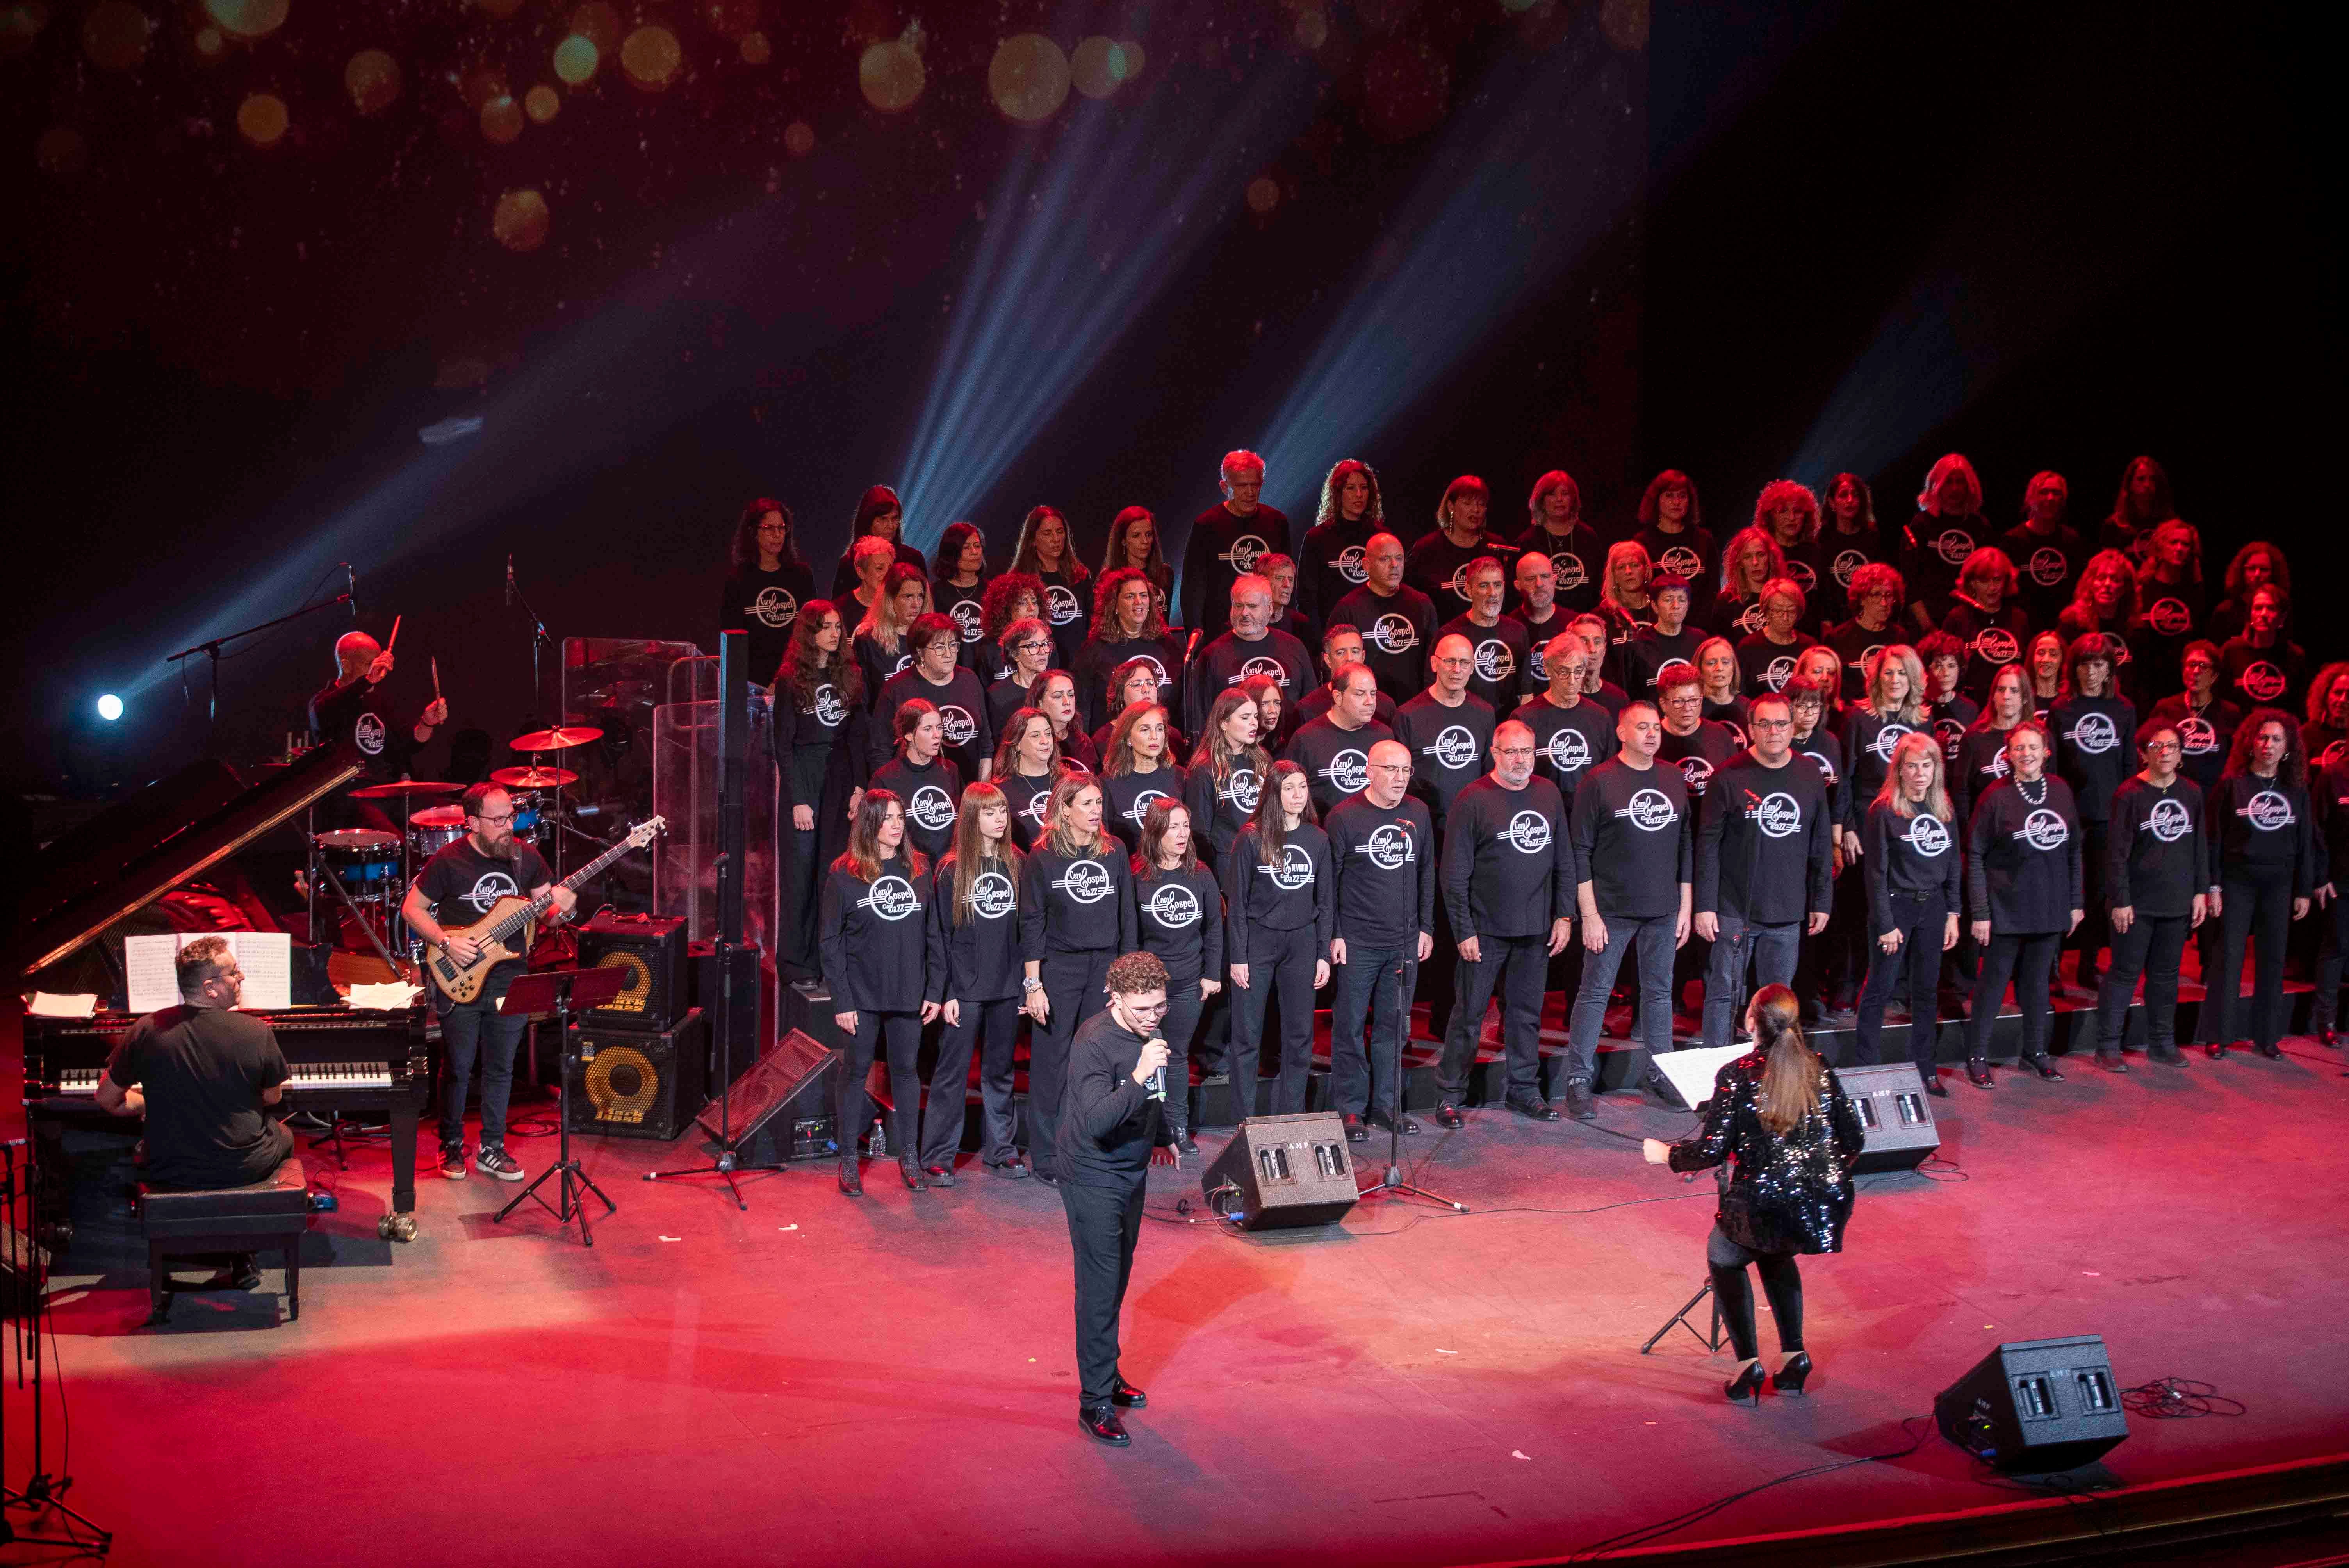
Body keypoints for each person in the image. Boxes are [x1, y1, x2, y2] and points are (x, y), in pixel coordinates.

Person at [1641, 985, 1862, 1405]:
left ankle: (1748, 1365)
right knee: (1775, 1252)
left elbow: (1710, 1149)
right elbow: (1854, 1138)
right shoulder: (1817, 1065)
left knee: (1724, 1255)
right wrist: (1809, 1177)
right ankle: (1794, 1355)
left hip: (1761, 1201)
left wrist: (1667, 1154)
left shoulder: (1737, 1072)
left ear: (1750, 1022)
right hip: (1814, 1201)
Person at [401, 783, 578, 1182]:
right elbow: (411, 908)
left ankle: (492, 1149)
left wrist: (563, 910)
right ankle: (450, 1144)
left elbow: (548, 914)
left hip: (508, 977)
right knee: (459, 1066)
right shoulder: (448, 860)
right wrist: (446, 941)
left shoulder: (525, 857)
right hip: (458, 974)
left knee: (501, 1067)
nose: (507, 827)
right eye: (498, 820)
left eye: (510, 818)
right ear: (472, 822)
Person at [1059, 950, 1177, 1449]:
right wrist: (1138, 1074)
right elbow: (1095, 1121)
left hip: (1130, 1169)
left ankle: (1107, 1374)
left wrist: (1162, 1134)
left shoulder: (1145, 1031)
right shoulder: (1093, 1042)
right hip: (1092, 1173)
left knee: (1119, 1274)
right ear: (1116, 998)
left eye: (1160, 1007)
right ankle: (1095, 1401)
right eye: (1143, 1008)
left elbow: (1154, 1094)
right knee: (1100, 1284)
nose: (1153, 1016)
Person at [1437, 721, 1576, 1123]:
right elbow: (1454, 874)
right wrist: (1464, 929)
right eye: (1512, 752)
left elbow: (1564, 860)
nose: (1520, 759)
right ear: (1495, 753)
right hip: (1484, 931)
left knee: (1526, 1014)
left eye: (1527, 751)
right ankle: (1449, 1095)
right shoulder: (1472, 799)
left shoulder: (1548, 794)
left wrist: (1564, 915)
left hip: (1535, 929)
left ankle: (1523, 1091)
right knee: (1469, 1016)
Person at [1563, 701, 1693, 1122]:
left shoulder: (1673, 777)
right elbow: (1578, 849)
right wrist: (1590, 913)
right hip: (1611, 910)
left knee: (1658, 995)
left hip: (1662, 908)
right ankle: (1578, 1079)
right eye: (1643, 726)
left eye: (1657, 727)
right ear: (1622, 732)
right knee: (1595, 992)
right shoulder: (1598, 781)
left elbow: (1685, 845)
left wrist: (1685, 905)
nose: (1653, 734)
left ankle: (1660, 1074)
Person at [96, 936, 293, 1192]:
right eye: (234, 973)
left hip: (168, 1169)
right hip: (242, 1167)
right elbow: (272, 1098)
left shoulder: (144, 1029)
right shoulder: (257, 1031)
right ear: (210, 988)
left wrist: (151, 1103)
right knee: (285, 1135)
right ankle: (267, 1214)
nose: (242, 976)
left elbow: (106, 1099)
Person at [1695, 694, 1834, 1049]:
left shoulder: (1808, 774)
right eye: (1765, 724)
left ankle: (1773, 1076)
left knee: (1779, 1004)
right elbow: (1708, 846)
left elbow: (1820, 842)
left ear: (1794, 727)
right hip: (1733, 908)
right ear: (1752, 728)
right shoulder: (1728, 777)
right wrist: (1705, 906)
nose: (1774, 731)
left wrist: (1822, 900)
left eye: (1782, 724)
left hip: (1787, 910)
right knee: (1723, 994)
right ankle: (1717, 1073)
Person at [820, 789, 941, 1196]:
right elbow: (831, 942)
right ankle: (849, 1161)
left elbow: (934, 935)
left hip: (909, 989)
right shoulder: (843, 874)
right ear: (869, 822)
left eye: (900, 816)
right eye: (888, 817)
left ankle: (910, 1155)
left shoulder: (919, 869)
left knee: (907, 1070)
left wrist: (935, 990)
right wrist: (843, 1000)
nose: (896, 824)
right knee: (856, 1071)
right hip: (862, 993)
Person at [1020, 772, 1138, 1185]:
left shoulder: (1115, 851)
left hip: (1104, 968)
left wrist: (1125, 977)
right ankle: (1047, 1154)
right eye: (1085, 803)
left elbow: (1128, 916)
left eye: (1097, 803)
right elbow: (1032, 922)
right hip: (1059, 968)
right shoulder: (1043, 857)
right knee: (1052, 1063)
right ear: (1064, 808)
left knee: (1098, 1061)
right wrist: (1033, 985)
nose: (1095, 811)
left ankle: (1089, 1146)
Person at [1325, 739, 1436, 1142]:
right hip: (1357, 941)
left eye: (1405, 770)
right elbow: (1330, 883)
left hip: (1404, 940)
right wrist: (1334, 934)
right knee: (1351, 1026)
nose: (1399, 778)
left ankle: (1387, 1106)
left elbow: (1426, 871)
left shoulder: (1417, 814)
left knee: (1395, 1026)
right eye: (1391, 769)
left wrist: (1427, 926)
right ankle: (1351, 1107)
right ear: (1368, 771)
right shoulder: (1344, 817)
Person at [1962, 723, 2082, 1089]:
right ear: (2008, 754)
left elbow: (2075, 849)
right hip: (2005, 910)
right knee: (1993, 987)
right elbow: (1976, 854)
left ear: (2046, 751)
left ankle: (2036, 1052)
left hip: (2050, 907)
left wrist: (2076, 902)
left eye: (2033, 747)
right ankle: (1978, 1056)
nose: (2026, 754)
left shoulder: (2061, 791)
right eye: (2019, 748)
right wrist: (1981, 913)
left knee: (2037, 987)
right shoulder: (1994, 797)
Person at [2200, 710, 2320, 1061]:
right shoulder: (2231, 785)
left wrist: (2303, 890)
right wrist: (2214, 886)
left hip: (2279, 884)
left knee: (2273, 960)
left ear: (2288, 749)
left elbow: (2305, 842)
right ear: (2251, 743)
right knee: (2229, 959)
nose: (2268, 745)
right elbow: (2214, 840)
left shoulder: (2296, 790)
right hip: (2238, 881)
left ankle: (2267, 1037)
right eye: (2263, 738)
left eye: (2277, 740)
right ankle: (2218, 1036)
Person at [1220, 760, 1334, 1119]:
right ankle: (1245, 1120)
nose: (1298, 795)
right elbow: (1236, 904)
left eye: (1302, 787)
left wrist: (1322, 954)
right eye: (1289, 788)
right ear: (1274, 792)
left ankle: (1292, 1116)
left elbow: (1326, 901)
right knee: (1247, 1037)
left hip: (1301, 943)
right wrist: (1238, 957)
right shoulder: (1252, 837)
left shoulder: (1317, 838)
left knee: (1300, 1037)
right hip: (1258, 943)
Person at [927, 782, 1027, 1181]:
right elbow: (941, 936)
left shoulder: (1018, 862)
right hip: (964, 988)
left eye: (1002, 810)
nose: (1000, 819)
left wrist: (1025, 985)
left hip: (1006, 986)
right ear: (972, 818)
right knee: (951, 1072)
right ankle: (938, 1154)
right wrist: (947, 991)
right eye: (990, 812)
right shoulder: (952, 868)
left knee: (1000, 1071)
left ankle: (1001, 1149)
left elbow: (1025, 931)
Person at [2099, 726, 2211, 1071]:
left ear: (2181, 753)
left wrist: (2200, 892)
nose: (2165, 752)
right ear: (2143, 753)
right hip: (2136, 904)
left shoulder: (2191, 793)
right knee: (2124, 975)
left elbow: (2200, 847)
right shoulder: (2129, 794)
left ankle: (2163, 1043)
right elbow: (2116, 853)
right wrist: (2120, 899)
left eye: (2172, 746)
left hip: (2176, 901)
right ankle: (2108, 1048)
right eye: (2156, 746)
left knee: (2166, 976)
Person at [1855, 734, 1962, 1085]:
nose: (1919, 773)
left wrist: (1953, 913)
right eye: (1912, 766)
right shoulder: (1883, 811)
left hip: (1933, 907)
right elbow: (1875, 873)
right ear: (1899, 770)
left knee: (1926, 991)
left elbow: (1953, 866)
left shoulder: (1944, 809)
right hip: (1895, 908)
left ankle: (1925, 1069)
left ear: (1936, 770)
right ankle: (1867, 1068)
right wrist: (1885, 923)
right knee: (1881, 989)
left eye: (1926, 766)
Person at [772, 601, 870, 976]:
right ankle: (798, 966)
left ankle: (831, 963)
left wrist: (859, 787)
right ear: (809, 633)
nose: (835, 633)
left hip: (841, 777)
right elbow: (783, 745)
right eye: (826, 627)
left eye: (838, 626)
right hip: (806, 776)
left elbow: (860, 737)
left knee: (833, 871)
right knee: (800, 872)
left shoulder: (850, 675)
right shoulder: (790, 680)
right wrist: (798, 799)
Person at [1130, 799, 1223, 1158]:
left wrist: (1211, 974)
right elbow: (1130, 933)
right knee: (1145, 1057)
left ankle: (1178, 1127)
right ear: (1155, 832)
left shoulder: (1201, 874)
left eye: (1186, 826)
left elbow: (1214, 928)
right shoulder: (1137, 875)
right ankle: (1147, 1130)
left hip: (1188, 984)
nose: (1183, 833)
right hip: (1146, 988)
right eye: (1173, 827)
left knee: (1177, 1055)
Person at [2049, 634, 2138, 989]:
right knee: (2061, 890)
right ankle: (2051, 966)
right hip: (2068, 817)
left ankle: (2088, 964)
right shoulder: (2061, 710)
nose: (2091, 672)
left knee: (2098, 894)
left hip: (2108, 816)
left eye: (2099, 664)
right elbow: (2053, 769)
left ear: (2110, 670)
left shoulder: (2124, 710)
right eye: (2085, 664)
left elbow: (2130, 767)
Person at [307, 629, 447, 788]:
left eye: (379, 663)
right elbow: (329, 707)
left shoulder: (380, 700)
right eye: (370, 664)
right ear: (346, 666)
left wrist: (427, 723)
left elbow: (408, 744)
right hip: (346, 797)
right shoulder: (323, 702)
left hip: (384, 793)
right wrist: (367, 681)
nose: (379, 670)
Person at [1184, 573, 1314, 741]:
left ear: (1269, 608)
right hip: (1233, 757)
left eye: (1252, 606)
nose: (1244, 613)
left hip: (1286, 754)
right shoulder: (1212, 655)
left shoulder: (1294, 648)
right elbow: (1200, 717)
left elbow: (1310, 707)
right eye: (1239, 605)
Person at [871, 612, 993, 784]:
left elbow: (985, 743)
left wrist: (982, 789)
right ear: (920, 652)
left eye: (953, 645)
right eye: (940, 647)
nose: (949, 654)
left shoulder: (970, 680)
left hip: (969, 789)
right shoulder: (897, 689)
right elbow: (881, 751)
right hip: (916, 790)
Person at [1181, 449, 1290, 641]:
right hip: (1220, 632)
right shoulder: (1206, 525)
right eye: (1241, 486)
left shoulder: (1277, 523)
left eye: (1255, 485)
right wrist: (1195, 635)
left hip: (1269, 630)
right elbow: (1193, 589)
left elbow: (1288, 581)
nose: (1250, 493)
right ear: (1225, 487)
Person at [1396, 633, 1498, 822]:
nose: (1457, 669)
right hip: (1424, 822)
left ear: (1473, 667)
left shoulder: (1485, 713)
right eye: (1450, 661)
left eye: (1464, 663)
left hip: (1473, 820)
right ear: (1435, 664)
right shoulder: (1407, 715)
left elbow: (1490, 772)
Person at [1326, 532, 1438, 703]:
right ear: (1366, 565)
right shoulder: (1347, 609)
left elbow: (1434, 661)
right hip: (1366, 707)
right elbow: (1336, 669)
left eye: (1399, 559)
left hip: (1415, 705)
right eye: (1385, 559)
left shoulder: (1422, 604)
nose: (1394, 565)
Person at [1074, 567, 1183, 733]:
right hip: (1112, 744)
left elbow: (1180, 704)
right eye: (1130, 596)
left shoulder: (1168, 647)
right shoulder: (1094, 650)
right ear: (1115, 605)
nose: (1138, 601)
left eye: (1144, 595)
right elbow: (1083, 708)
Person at [720, 496, 815, 687]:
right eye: (769, 529)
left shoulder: (801, 576)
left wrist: (785, 677)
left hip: (795, 679)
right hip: (753, 685)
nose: (777, 534)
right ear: (753, 532)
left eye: (781, 528)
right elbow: (733, 641)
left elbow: (811, 631)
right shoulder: (738, 580)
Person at [1512, 633, 1618, 802]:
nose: (1572, 681)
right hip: (1541, 809)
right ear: (1547, 669)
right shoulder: (1524, 718)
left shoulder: (1600, 717)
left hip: (1588, 810)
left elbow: (1609, 776)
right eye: (1563, 672)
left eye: (1578, 671)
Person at [1285, 661, 1394, 817]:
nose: (1370, 701)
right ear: (1338, 697)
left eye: (1373, 693)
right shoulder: (1305, 739)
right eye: (1360, 694)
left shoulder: (1385, 737)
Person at [1183, 687, 1270, 871]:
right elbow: (1200, 831)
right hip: (1227, 863)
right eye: (1245, 718)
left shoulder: (1263, 759)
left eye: (1255, 716)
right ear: (1224, 723)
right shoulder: (1205, 769)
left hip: (1265, 856)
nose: (1254, 723)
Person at [868, 700, 962, 866]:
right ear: (909, 735)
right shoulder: (885, 779)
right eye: (928, 729)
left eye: (939, 727)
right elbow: (874, 836)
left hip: (950, 869)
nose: (937, 735)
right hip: (912, 871)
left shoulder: (951, 771)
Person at [1407, 474, 1515, 620]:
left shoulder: (1497, 547)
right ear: (1451, 506)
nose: (1476, 510)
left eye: (1481, 504)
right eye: (1468, 503)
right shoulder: (1426, 549)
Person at [1900, 454, 1987, 633]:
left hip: (1971, 622)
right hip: (1929, 622)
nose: (1955, 489)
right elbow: (1910, 581)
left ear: (1970, 486)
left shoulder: (1980, 526)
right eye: (1949, 482)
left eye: (1960, 482)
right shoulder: (1921, 524)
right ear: (1936, 485)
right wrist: (1928, 626)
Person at [1298, 459, 1384, 632]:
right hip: (1332, 634)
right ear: (1338, 493)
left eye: (1364, 488)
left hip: (1376, 631)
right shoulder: (1318, 538)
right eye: (1351, 488)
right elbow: (1307, 599)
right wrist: (1320, 640)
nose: (1359, 495)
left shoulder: (1382, 537)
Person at [1437, 555, 1531, 714]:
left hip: (1508, 726)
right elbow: (1439, 694)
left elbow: (1526, 694)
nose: (1493, 593)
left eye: (1497, 585)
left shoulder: (1518, 631)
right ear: (1468, 590)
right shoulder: (1449, 635)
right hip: (1466, 725)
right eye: (1483, 586)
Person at [1939, 546, 2030, 702]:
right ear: (1972, 583)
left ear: (2006, 581)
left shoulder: (2019, 618)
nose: (1992, 588)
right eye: (1984, 581)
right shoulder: (1958, 618)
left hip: (2010, 701)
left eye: (1997, 580)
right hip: (1968, 702)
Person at [2149, 641, 2242, 791]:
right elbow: (2149, 751)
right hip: (2171, 792)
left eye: (2204, 666)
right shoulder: (2165, 709)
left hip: (2213, 795)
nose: (2196, 671)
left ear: (2215, 676)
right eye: (2191, 665)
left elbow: (2237, 761)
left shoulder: (2230, 713)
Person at [2001, 471, 2086, 630]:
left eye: (2056, 493)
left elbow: (2082, 586)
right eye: (2044, 492)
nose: (2050, 498)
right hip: (2023, 625)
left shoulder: (2072, 540)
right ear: (2031, 498)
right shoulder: (2013, 540)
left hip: (2063, 625)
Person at [2130, 519, 2206, 697]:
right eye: (2174, 543)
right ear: (2159, 547)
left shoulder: (2195, 592)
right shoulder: (2142, 588)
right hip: (2145, 680)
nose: (2179, 549)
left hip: (2183, 682)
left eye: (2185, 544)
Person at [1012, 504, 1093, 665]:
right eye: (1047, 533)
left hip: (1080, 666)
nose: (1056, 539)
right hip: (1041, 667)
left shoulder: (1080, 576)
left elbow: (1091, 624)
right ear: (1033, 540)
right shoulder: (1020, 580)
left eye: (1060, 532)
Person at [1515, 469, 1603, 615]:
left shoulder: (1589, 537)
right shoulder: (1528, 542)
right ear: (1541, 501)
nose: (1559, 499)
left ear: (1573, 500)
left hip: (1586, 619)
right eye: (1552, 494)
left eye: (1565, 494)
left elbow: (1600, 583)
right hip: (1543, 620)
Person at [1100, 701, 1183, 853]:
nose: (1155, 737)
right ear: (1128, 739)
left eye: (1159, 729)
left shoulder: (1181, 777)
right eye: (1145, 730)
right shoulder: (1107, 784)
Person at [1656, 659, 1743, 802]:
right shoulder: (1653, 740)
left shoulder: (1720, 735)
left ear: (1702, 700)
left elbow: (1734, 786)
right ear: (1664, 705)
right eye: (1678, 701)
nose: (1688, 708)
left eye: (1693, 700)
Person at [2060, 551, 2141, 699]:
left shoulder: (2135, 626)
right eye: (2101, 578)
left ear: (2125, 588)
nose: (2108, 585)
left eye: (2115, 579)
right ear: (2091, 584)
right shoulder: (2072, 622)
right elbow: (2065, 671)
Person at [827, 485, 927, 602]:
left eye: (895, 519)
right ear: (868, 521)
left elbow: (926, 604)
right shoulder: (850, 563)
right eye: (883, 520)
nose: (891, 526)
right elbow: (838, 609)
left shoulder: (913, 559)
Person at [1823, 561, 1905, 705]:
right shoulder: (1837, 638)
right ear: (1862, 599)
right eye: (1876, 595)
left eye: (1889, 595)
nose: (1884, 603)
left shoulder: (1900, 636)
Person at [2218, 584, 2307, 715]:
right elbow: (2221, 699)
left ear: (2283, 617)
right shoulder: (2231, 651)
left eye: (2271, 608)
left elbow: (2299, 706)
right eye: (2258, 608)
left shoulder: (2295, 656)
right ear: (2250, 614)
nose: (2264, 614)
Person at [1817, 472, 1890, 627]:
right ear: (1832, 502)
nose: (1850, 501)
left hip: (1870, 620)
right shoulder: (1821, 540)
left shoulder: (1873, 538)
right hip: (1834, 623)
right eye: (1844, 495)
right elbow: (1823, 592)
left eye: (1856, 495)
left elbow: (1884, 583)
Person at [852, 561, 930, 702]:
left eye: (920, 596)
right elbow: (863, 699)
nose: (916, 605)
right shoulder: (867, 641)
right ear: (890, 599)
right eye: (908, 597)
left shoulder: (930, 637)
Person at [1618, 572, 1704, 694]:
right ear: (1655, 606)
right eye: (1669, 600)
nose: (1676, 606)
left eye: (1682, 600)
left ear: (1688, 605)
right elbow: (1628, 692)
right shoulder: (1638, 645)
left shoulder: (1700, 640)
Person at [993, 707, 1063, 852]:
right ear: (1017, 744)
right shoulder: (1001, 791)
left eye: (1048, 734)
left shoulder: (1068, 782)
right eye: (1035, 736)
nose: (1045, 741)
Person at [1755, 480, 1824, 626]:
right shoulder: (1762, 553)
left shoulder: (1817, 552)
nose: (1791, 518)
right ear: (1770, 516)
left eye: (1798, 511)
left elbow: (1826, 603)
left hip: (1811, 636)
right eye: (1783, 511)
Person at [1734, 576, 1816, 699]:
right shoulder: (1748, 648)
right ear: (1766, 611)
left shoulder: (1809, 646)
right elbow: (1741, 696)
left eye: (1791, 611)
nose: (1785, 618)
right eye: (1778, 611)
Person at [1634, 469, 1714, 588]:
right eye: (1669, 495)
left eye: (1683, 496)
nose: (1677, 502)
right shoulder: (1643, 542)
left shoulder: (1704, 539)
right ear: (1656, 500)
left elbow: (1713, 589)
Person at [930, 521, 994, 667]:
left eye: (977, 546)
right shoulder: (935, 593)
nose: (975, 552)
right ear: (952, 553)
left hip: (988, 671)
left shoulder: (993, 590)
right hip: (952, 672)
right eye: (967, 548)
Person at [1099, 505, 1174, 624]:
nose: (1145, 541)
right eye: (1136, 536)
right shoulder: (1108, 578)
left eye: (1149, 535)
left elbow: (1164, 622)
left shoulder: (1166, 573)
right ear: (1123, 540)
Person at [1709, 526, 1786, 639]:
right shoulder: (1726, 601)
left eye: (1761, 555)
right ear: (1740, 562)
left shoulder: (1785, 595)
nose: (1755, 562)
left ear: (1770, 558)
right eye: (1747, 557)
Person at [2208, 541, 2290, 645]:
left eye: (2264, 570)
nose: (2257, 574)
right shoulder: (2225, 611)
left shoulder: (2282, 612)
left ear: (2274, 573)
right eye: (2251, 569)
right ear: (2242, 572)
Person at [988, 615, 1057, 736]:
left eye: (1045, 644)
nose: (1043, 652)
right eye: (1033, 646)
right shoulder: (998, 695)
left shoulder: (1057, 686)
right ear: (1015, 654)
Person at [1511, 549, 1572, 684]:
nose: (1539, 584)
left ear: (1554, 580)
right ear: (1518, 585)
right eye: (1530, 579)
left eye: (1545, 576)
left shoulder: (1574, 625)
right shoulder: (1508, 629)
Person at [976, 570, 1047, 686]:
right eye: (1022, 603)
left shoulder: (1047, 644)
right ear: (1005, 608)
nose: (1032, 608)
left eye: (1034, 602)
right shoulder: (988, 648)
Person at [2101, 455, 2176, 560]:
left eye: (2153, 479)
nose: (2147, 485)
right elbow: (2108, 563)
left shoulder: (2168, 522)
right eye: (2141, 479)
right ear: (2130, 484)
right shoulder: (2114, 525)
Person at [1596, 540, 1657, 656]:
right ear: (1614, 575)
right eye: (1621, 567)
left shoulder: (1661, 608)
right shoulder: (1603, 616)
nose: (1628, 572)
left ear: (1646, 571)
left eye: (1634, 565)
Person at [1037, 669, 1099, 772]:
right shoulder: (1032, 743)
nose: (1067, 702)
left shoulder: (1084, 742)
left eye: (1071, 695)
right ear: (1040, 704)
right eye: (1058, 696)